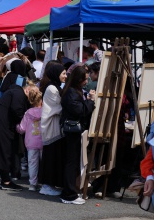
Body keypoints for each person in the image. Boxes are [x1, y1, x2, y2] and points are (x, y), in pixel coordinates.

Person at [59, 64, 96, 205]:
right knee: (72, 162)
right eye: (84, 79)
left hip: (73, 130)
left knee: (73, 161)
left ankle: (70, 192)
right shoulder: (72, 93)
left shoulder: (74, 90)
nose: (86, 81)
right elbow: (80, 111)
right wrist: (90, 101)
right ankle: (69, 194)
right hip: (72, 130)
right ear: (78, 79)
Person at [0, 71, 30, 191]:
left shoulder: (12, 91)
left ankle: (6, 180)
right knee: (4, 152)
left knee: (3, 151)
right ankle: (6, 182)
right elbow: (17, 111)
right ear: (26, 88)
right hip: (2, 125)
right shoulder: (19, 94)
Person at [38, 61, 67, 196]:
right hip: (51, 126)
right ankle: (46, 185)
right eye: (63, 73)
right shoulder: (52, 89)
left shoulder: (54, 86)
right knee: (50, 156)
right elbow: (59, 106)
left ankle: (50, 184)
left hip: (54, 126)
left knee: (53, 156)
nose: (65, 76)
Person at [17, 86, 44, 192]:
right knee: (43, 162)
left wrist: (16, 127)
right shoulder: (44, 112)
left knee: (32, 163)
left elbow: (22, 128)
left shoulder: (28, 113)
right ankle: (43, 182)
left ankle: (32, 184)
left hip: (31, 142)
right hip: (43, 141)